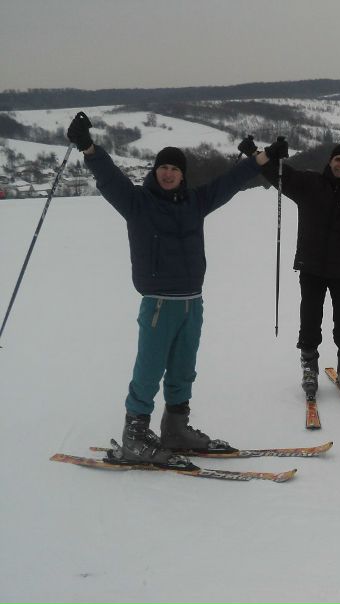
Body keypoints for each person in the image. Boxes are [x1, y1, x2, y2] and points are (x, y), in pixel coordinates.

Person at [66, 111, 270, 467]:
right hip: (160, 302)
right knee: (149, 369)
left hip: (193, 302)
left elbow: (229, 181)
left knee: (183, 369)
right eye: (163, 167)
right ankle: (135, 434)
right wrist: (88, 148)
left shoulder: (196, 201)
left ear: (182, 174)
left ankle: (175, 428)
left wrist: (260, 160)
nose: (168, 172)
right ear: (155, 171)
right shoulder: (138, 204)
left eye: (175, 168)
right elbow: (111, 180)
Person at [243, 137, 340, 400]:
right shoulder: (310, 184)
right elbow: (278, 173)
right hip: (311, 266)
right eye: (338, 159)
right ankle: (309, 367)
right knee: (310, 319)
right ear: (330, 162)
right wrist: (257, 153)